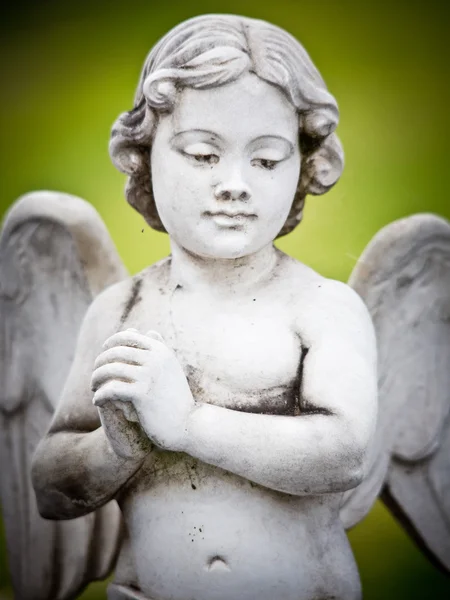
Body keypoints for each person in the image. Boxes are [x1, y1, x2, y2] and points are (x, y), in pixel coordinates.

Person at [32, 14, 377, 600]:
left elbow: (342, 457)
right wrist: (120, 446)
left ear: (303, 168)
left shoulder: (322, 307)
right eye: (201, 154)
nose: (235, 184)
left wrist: (188, 424)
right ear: (144, 156)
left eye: (266, 160)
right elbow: (51, 485)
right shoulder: (120, 310)